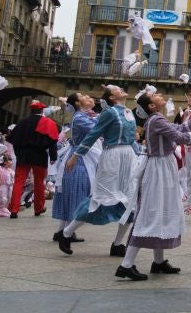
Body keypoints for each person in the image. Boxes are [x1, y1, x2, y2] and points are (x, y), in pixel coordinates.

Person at [114, 91, 191, 281]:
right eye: (155, 96)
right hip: (159, 169)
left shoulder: (156, 119)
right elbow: (179, 136)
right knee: (150, 214)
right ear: (152, 106)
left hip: (162, 167)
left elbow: (178, 127)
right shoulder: (157, 120)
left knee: (160, 211)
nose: (159, 95)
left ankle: (158, 262)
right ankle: (126, 264)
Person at [57, 85, 137, 257]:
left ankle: (117, 244)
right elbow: (93, 133)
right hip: (112, 157)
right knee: (99, 197)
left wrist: (142, 156)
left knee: (130, 201)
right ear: (112, 98)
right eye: (117, 89)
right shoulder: (109, 113)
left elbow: (131, 139)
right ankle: (66, 233)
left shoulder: (129, 112)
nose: (122, 89)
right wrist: (76, 155)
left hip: (128, 158)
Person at [52, 93, 100, 243]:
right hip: (79, 157)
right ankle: (65, 231)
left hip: (82, 156)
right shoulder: (79, 118)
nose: (87, 97)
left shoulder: (81, 116)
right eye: (83, 96)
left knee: (75, 191)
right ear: (79, 103)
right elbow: (97, 129)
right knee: (77, 191)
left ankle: (62, 231)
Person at [8, 100, 58, 218]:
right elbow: (52, 141)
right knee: (39, 182)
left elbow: (14, 141)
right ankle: (39, 208)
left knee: (19, 181)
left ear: (31, 110)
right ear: (42, 111)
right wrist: (53, 156)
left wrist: (18, 153)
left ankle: (14, 209)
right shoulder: (47, 122)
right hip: (39, 155)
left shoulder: (21, 123)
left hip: (23, 155)